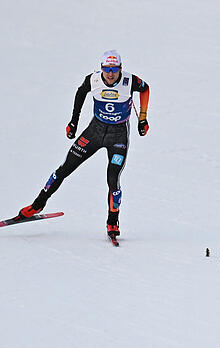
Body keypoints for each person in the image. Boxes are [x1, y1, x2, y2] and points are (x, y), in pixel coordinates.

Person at [15, 50, 150, 240]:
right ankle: (37, 205)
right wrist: (73, 123)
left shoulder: (130, 81)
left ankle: (112, 222)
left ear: (120, 68)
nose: (110, 74)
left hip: (118, 137)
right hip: (94, 132)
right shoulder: (93, 80)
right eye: (107, 69)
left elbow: (145, 89)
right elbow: (80, 94)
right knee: (64, 169)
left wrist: (142, 119)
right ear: (102, 68)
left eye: (114, 69)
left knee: (113, 179)